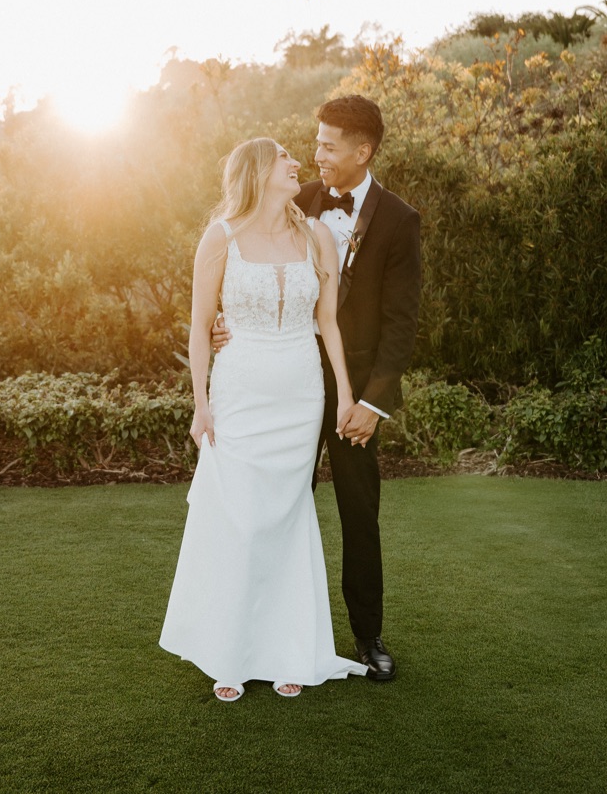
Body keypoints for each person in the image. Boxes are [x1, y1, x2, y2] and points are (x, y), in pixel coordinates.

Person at [213, 95, 422, 682]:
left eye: (329, 146)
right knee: (276, 506)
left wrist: (373, 402)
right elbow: (239, 265)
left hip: (353, 392)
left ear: (364, 150)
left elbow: (402, 324)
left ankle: (368, 636)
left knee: (359, 512)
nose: (317, 155)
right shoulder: (295, 200)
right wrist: (222, 322)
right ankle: (259, 635)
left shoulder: (400, 221)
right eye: (316, 142)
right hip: (287, 382)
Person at [159, 137, 368, 701]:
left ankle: (286, 648)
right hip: (239, 394)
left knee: (285, 517)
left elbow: (328, 321)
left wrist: (346, 394)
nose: (295, 163)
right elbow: (200, 326)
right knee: (242, 519)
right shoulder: (220, 235)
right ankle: (230, 652)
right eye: (283, 158)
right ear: (257, 171)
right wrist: (200, 404)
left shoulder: (315, 234)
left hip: (301, 395)